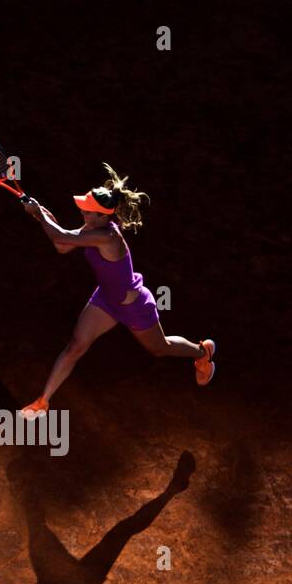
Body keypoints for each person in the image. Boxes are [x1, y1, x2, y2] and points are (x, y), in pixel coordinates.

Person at [19, 163, 215, 419]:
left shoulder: (108, 237)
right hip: (106, 300)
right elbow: (62, 246)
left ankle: (202, 352)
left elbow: (62, 238)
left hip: (133, 306)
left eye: (88, 211)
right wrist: (41, 217)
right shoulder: (91, 229)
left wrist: (39, 215)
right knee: (76, 346)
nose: (83, 213)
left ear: (103, 216)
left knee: (159, 348)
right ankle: (43, 401)